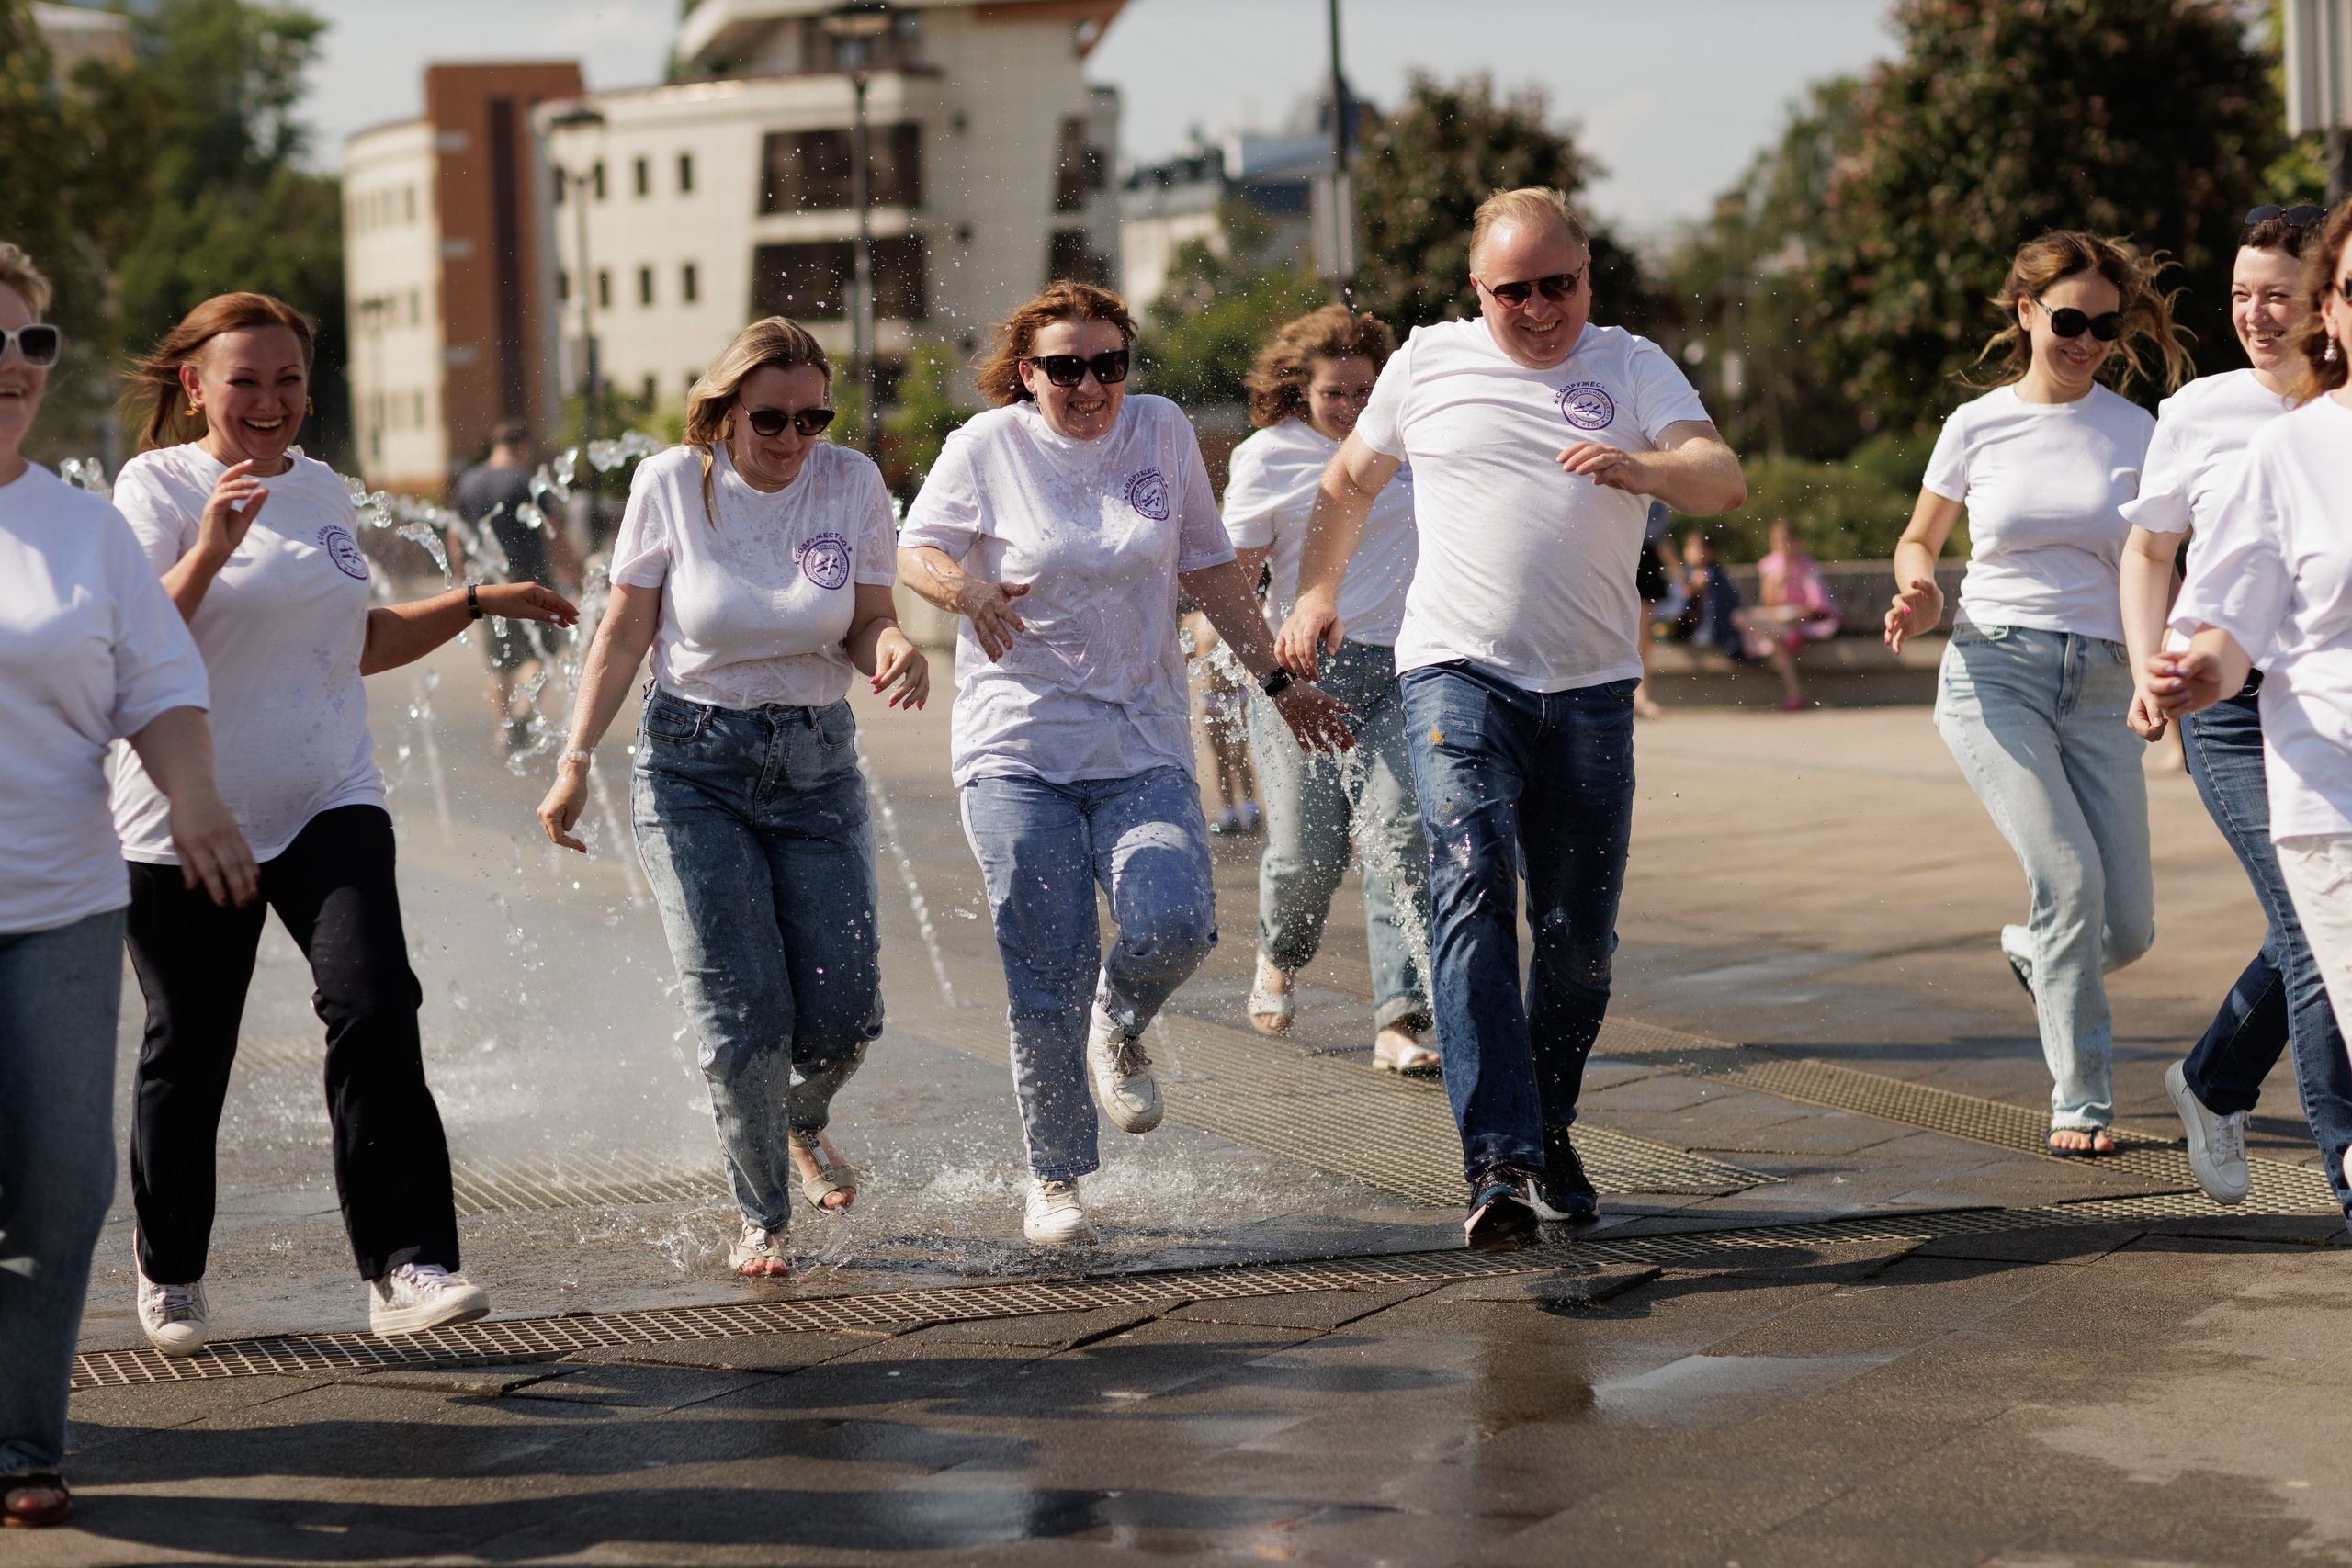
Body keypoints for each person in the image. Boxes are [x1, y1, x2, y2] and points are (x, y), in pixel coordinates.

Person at [1276, 187, 1746, 1249]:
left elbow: (1720, 478)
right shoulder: (1431, 363)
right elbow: (1348, 483)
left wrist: (1645, 465)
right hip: (1457, 675)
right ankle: (1497, 1157)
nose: (1539, 310)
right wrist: (1316, 595)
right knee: (1473, 881)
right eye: (1513, 292)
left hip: (1588, 692)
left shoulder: (1627, 363)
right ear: (1475, 291)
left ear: (1587, 276)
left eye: (1558, 286)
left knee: (1580, 949)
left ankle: (1549, 1121)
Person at [112, 292, 577, 1353]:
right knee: (191, 1052)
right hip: (186, 814)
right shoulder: (158, 487)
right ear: (195, 386)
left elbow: (352, 640)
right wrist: (213, 547)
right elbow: (134, 639)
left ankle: (408, 1263)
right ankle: (170, 1265)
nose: (271, 402)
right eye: (246, 381)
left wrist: (471, 604)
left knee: (374, 1005)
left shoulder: (321, 488)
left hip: (329, 794)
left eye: (287, 380)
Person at [899, 280, 1352, 1247]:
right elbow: (914, 549)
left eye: (1110, 363)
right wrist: (968, 590)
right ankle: (1055, 1177)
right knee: (1044, 959)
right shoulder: (986, 447)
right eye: (1066, 368)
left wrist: (1277, 680)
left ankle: (1121, 1014)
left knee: (1177, 919)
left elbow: (1206, 567)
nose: (1092, 385)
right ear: (1027, 374)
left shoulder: (1158, 431)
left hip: (1140, 738)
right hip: (1016, 746)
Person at [537, 318, 926, 1280]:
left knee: (845, 1013)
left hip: (817, 764)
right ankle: (764, 1216)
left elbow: (868, 620)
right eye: (770, 420)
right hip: (691, 768)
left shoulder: (851, 484)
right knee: (740, 1011)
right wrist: (575, 757)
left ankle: (799, 1115)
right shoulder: (674, 484)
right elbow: (625, 632)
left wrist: (896, 649)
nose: (793, 440)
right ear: (723, 412)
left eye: (812, 417)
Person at [0, 244, 255, 1531]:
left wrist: (198, 797)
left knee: (61, 1179)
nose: (11, 367)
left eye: (30, 344)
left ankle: (17, 1440)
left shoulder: (81, 525)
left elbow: (156, 680)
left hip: (56, 899)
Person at [1884, 231, 2191, 1156]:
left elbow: (2161, 564)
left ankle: (2037, 952)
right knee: (2067, 881)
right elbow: (1917, 538)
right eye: (2068, 320)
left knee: (2125, 927)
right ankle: (2082, 1100)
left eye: (2104, 325)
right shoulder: (1975, 425)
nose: (2087, 340)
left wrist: (2160, 667)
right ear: (2025, 313)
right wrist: (1921, 585)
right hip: (1996, 672)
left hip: (2101, 682)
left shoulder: (2141, 432)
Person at [2117, 205, 2352, 1211]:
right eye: (2239, 295)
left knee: (2305, 923)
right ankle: (2345, 1173)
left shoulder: (2324, 418)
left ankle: (2213, 1077)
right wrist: (2152, 672)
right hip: (2235, 709)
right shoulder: (2206, 414)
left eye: (2277, 295)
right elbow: (2150, 553)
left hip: (2307, 691)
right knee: (2308, 930)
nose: (2256, 314)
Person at [1222, 305, 1437, 1074]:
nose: (1349, 409)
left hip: (1401, 670)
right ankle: (1281, 954)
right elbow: (1237, 577)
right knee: (1308, 855)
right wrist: (1258, 668)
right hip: (1300, 678)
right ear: (1297, 390)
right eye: (1333, 395)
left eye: (1363, 392)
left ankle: (1398, 1020)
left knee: (1404, 838)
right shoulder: (1267, 456)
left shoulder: (1405, 446)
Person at [449, 421, 583, 750]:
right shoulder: (529, 481)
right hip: (531, 581)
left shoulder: (468, 482)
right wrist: (576, 570)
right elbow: (552, 533)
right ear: (522, 446)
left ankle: (503, 728)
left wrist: (460, 577)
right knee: (548, 650)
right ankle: (523, 710)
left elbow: (455, 537)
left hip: (486, 585)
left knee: (499, 659)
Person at [1734, 518, 1840, 711]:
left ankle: (1794, 696)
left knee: (1777, 638)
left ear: (1796, 541)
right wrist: (1777, 582)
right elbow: (1768, 601)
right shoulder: (1768, 565)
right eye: (1777, 541)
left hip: (1797, 619)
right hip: (1777, 619)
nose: (1782, 546)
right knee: (1739, 617)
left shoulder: (1806, 565)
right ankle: (1781, 635)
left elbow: (1815, 605)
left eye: (1786, 540)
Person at [1184, 608, 1261, 836]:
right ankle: (1228, 810)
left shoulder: (1234, 613)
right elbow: (1184, 659)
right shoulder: (1192, 621)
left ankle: (1250, 805)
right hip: (1211, 697)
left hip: (1239, 697)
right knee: (1219, 756)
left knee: (1237, 753)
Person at [1633, 500, 1682, 717]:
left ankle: (1637, 694)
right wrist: (1680, 572)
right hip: (1637, 560)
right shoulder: (1657, 497)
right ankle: (1638, 694)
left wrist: (1680, 572)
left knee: (1640, 634)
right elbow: (1661, 538)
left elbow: (1662, 538)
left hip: (1636, 561)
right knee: (1641, 635)